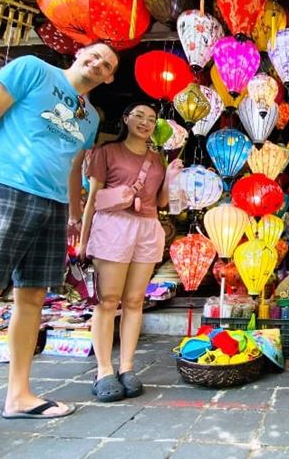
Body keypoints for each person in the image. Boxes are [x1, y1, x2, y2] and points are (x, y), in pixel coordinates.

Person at [0, 41, 119, 459]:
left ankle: (18, 394)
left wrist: (75, 214)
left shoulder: (90, 116)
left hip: (53, 205)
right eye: (94, 55)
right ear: (79, 55)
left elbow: (74, 166)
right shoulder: (31, 70)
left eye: (107, 65)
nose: (98, 64)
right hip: (1, 188)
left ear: (109, 78)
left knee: (34, 296)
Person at [77, 103, 177, 402]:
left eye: (151, 119)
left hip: (147, 227)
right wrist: (83, 240)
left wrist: (170, 177)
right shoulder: (106, 152)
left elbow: (160, 203)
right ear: (125, 118)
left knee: (134, 301)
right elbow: (92, 199)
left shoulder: (157, 158)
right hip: (113, 226)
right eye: (139, 116)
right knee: (108, 301)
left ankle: (128, 367)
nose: (145, 123)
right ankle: (104, 369)